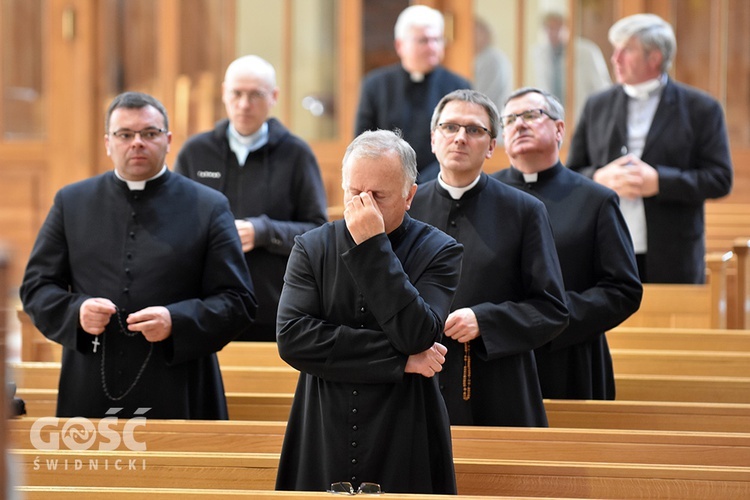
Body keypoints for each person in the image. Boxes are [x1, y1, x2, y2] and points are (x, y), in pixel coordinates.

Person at [19, 91, 257, 419]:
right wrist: (77, 311)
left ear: (168, 140)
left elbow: (238, 301)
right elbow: (36, 288)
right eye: (125, 134)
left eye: (149, 133)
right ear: (108, 142)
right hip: (91, 382)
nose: (137, 143)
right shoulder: (71, 203)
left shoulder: (208, 206)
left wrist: (177, 321)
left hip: (179, 385)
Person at [275, 129, 463, 494]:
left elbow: (418, 334)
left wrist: (373, 246)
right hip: (323, 418)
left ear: (410, 195)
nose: (363, 205)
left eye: (378, 195)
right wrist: (401, 361)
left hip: (406, 420)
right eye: (353, 193)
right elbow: (293, 340)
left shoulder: (441, 250)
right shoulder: (311, 247)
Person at [409, 89, 568, 427]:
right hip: (415, 383)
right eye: (449, 127)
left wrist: (485, 320)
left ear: (492, 146)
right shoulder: (405, 208)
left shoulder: (524, 211)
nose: (460, 138)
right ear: (433, 139)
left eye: (475, 130)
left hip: (498, 384)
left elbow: (552, 309)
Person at [492, 87, 643, 400]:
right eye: (509, 120)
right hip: (497, 356)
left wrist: (548, 318)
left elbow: (623, 290)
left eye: (531, 115)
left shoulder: (596, 200)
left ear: (559, 129)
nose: (519, 124)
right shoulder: (486, 196)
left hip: (570, 356)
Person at [567, 13, 733, 284]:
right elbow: (571, 173)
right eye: (615, 50)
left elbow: (720, 179)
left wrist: (660, 181)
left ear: (654, 57)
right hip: (604, 245)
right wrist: (598, 178)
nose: (615, 59)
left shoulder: (701, 108)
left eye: (626, 50)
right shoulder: (596, 105)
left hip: (672, 253)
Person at [174, 55, 328, 341]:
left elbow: (318, 232)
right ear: (224, 93)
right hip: (204, 306)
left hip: (274, 307)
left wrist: (264, 232)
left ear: (274, 97)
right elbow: (173, 225)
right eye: (237, 93)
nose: (244, 104)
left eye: (255, 95)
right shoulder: (195, 152)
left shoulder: (297, 155)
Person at [354, 5, 471, 184]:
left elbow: (464, 140)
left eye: (437, 39)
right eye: (423, 40)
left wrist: (428, 181)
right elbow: (363, 142)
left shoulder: (459, 87)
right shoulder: (376, 85)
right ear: (400, 45)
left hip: (443, 182)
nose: (432, 47)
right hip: (388, 182)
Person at [531, 11, 611, 121]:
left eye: (556, 28)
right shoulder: (539, 54)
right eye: (548, 28)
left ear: (567, 29)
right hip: (552, 117)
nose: (552, 33)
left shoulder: (586, 52)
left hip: (583, 115)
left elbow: (601, 87)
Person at [474, 17, 512, 116]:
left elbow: (483, 95)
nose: (472, 37)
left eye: (476, 33)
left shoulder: (491, 59)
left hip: (490, 115)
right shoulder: (480, 57)